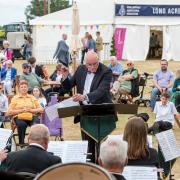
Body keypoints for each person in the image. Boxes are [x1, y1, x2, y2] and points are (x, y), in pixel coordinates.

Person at [61, 51, 113, 162]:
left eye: (95, 63)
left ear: (98, 60)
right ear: (85, 63)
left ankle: (101, 171)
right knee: (87, 145)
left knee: (102, 147)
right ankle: (89, 168)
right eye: (89, 64)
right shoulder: (80, 69)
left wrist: (84, 97)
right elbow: (68, 87)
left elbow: (101, 91)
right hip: (85, 112)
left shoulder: (106, 71)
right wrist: (65, 76)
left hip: (101, 113)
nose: (93, 67)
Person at [7, 80, 44, 148]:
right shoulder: (15, 98)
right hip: (19, 116)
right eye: (22, 87)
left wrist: (31, 110)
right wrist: (21, 110)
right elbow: (9, 111)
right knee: (22, 124)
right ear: (19, 88)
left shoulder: (31, 97)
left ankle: (34, 145)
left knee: (36, 125)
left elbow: (41, 109)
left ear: (27, 88)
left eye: (25, 87)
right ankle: (22, 145)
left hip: (31, 115)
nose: (24, 88)